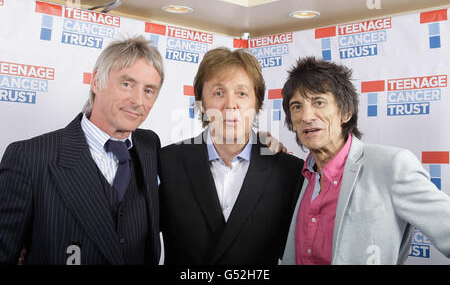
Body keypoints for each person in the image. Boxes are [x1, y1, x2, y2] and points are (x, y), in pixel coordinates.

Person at [0, 36, 163, 265]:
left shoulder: (150, 146)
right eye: (127, 84)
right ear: (97, 81)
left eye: (149, 90)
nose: (138, 100)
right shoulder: (29, 157)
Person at [280, 56, 450, 265]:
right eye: (296, 106)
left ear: (346, 112)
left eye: (319, 102)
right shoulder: (298, 176)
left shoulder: (392, 166)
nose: (306, 116)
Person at [159, 47, 304, 265]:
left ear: (257, 103)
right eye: (218, 93)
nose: (230, 104)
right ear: (202, 103)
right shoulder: (166, 162)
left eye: (242, 93)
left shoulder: (289, 172)